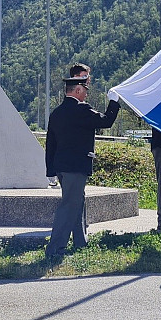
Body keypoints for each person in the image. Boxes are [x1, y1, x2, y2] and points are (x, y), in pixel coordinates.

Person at [44, 76, 120, 258]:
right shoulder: (82, 109)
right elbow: (106, 121)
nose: (86, 94)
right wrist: (114, 102)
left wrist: (50, 171)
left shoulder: (57, 113)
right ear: (77, 90)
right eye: (85, 90)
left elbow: (50, 143)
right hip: (76, 167)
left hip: (62, 167)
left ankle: (80, 243)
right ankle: (55, 249)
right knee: (69, 206)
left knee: (76, 205)